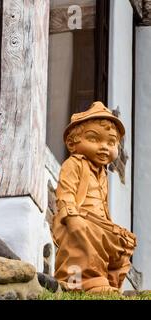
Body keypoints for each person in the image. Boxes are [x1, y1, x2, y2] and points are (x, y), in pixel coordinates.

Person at [53, 101, 137, 293]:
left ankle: (109, 282)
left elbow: (103, 207)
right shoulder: (74, 164)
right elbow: (66, 192)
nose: (104, 148)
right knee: (81, 247)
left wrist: (112, 228)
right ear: (72, 143)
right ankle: (78, 283)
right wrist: (71, 215)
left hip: (99, 223)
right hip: (79, 218)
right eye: (94, 139)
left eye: (111, 142)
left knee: (124, 244)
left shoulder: (102, 174)